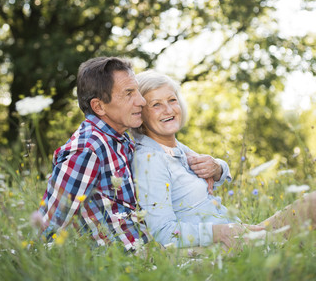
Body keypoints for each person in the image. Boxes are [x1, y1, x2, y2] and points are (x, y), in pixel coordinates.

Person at [131, 70, 316, 251]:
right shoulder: (150, 159)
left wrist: (217, 167)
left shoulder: (175, 147)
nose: (169, 109)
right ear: (141, 114)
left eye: (172, 100)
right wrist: (219, 232)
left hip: (241, 234)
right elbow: (163, 232)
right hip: (220, 249)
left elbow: (216, 174)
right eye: (156, 104)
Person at [38, 56, 150, 251]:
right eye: (129, 93)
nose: (142, 101)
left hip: (149, 251)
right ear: (99, 106)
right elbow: (50, 222)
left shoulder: (121, 140)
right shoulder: (87, 150)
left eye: (137, 91)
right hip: (121, 264)